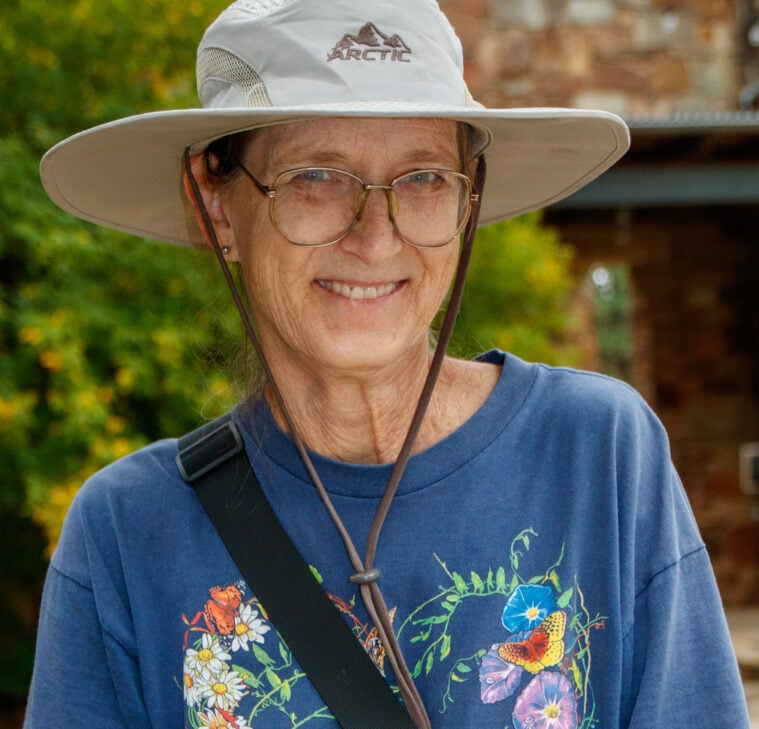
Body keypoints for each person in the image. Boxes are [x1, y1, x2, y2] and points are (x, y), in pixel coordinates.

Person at [25, 1, 750, 728]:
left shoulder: (597, 455)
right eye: (316, 176)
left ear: (467, 200)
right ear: (213, 205)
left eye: (423, 178)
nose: (376, 237)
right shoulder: (127, 534)